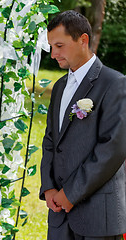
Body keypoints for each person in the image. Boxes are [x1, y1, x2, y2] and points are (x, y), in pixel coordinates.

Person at [39, 10, 126, 240]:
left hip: (98, 214)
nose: (53, 54)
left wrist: (71, 193)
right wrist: (48, 187)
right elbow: (50, 140)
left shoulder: (115, 83)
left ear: (83, 40)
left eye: (59, 45)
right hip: (58, 214)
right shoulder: (59, 87)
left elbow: (112, 149)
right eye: (51, 46)